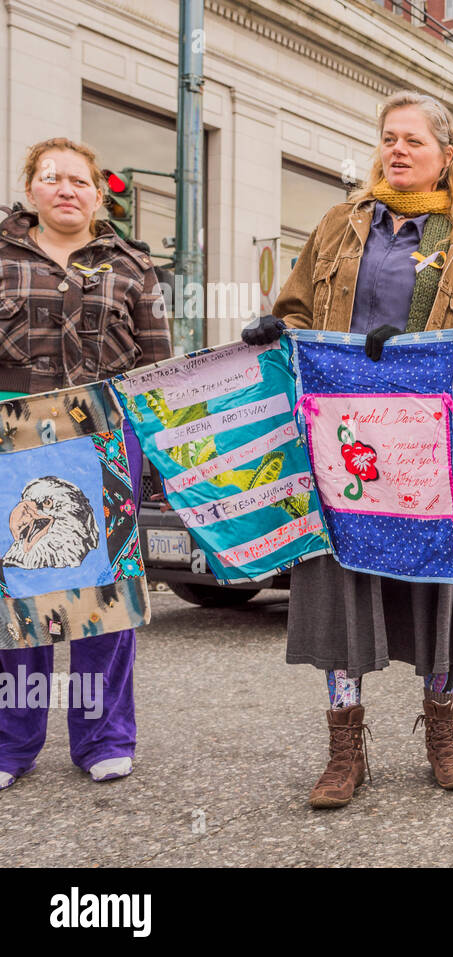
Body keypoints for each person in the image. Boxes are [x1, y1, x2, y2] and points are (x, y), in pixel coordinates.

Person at [243, 91, 453, 809]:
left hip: (429, 443)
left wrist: (424, 353)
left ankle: (442, 736)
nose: (396, 150)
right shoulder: (340, 225)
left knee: (435, 591)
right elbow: (297, 306)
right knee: (341, 588)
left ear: (446, 155)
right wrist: (276, 330)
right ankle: (344, 748)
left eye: (413, 141)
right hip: (341, 438)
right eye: (388, 138)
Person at [0, 137, 169, 791]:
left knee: (103, 602)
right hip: (16, 439)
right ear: (31, 188)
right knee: (22, 601)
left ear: (98, 195)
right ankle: (12, 744)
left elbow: (156, 363)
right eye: (52, 178)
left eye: (79, 180)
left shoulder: (132, 265)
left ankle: (103, 737)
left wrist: (160, 452)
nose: (66, 188)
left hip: (105, 437)